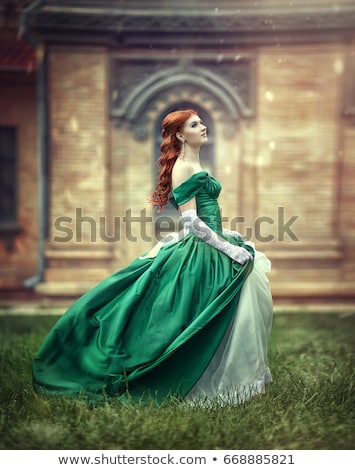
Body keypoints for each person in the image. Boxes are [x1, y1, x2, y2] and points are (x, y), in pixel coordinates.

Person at [32, 109, 273, 406]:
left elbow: (205, 218)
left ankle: (224, 374)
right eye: (195, 124)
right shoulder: (183, 166)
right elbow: (192, 223)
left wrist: (227, 237)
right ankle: (172, 371)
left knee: (226, 305)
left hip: (212, 241)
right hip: (205, 246)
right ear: (181, 135)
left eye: (201, 122)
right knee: (187, 312)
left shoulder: (195, 162)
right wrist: (229, 249)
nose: (203, 126)